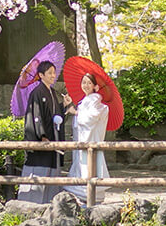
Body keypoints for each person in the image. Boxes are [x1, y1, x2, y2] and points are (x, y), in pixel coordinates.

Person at [16, 60, 67, 204]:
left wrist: (64, 106)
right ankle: (32, 202)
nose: (53, 75)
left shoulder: (51, 92)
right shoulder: (37, 93)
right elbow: (36, 116)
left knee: (52, 173)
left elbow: (56, 116)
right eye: (49, 73)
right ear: (41, 75)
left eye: (54, 72)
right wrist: (42, 135)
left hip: (53, 137)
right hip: (43, 140)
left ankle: (49, 202)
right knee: (40, 172)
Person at [64, 72, 110, 203]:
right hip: (82, 140)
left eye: (89, 82)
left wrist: (76, 112)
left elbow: (89, 119)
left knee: (89, 167)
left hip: (90, 140)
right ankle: (84, 195)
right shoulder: (85, 101)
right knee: (81, 166)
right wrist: (71, 106)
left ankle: (89, 195)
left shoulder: (96, 101)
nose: (86, 85)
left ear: (95, 86)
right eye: (83, 82)